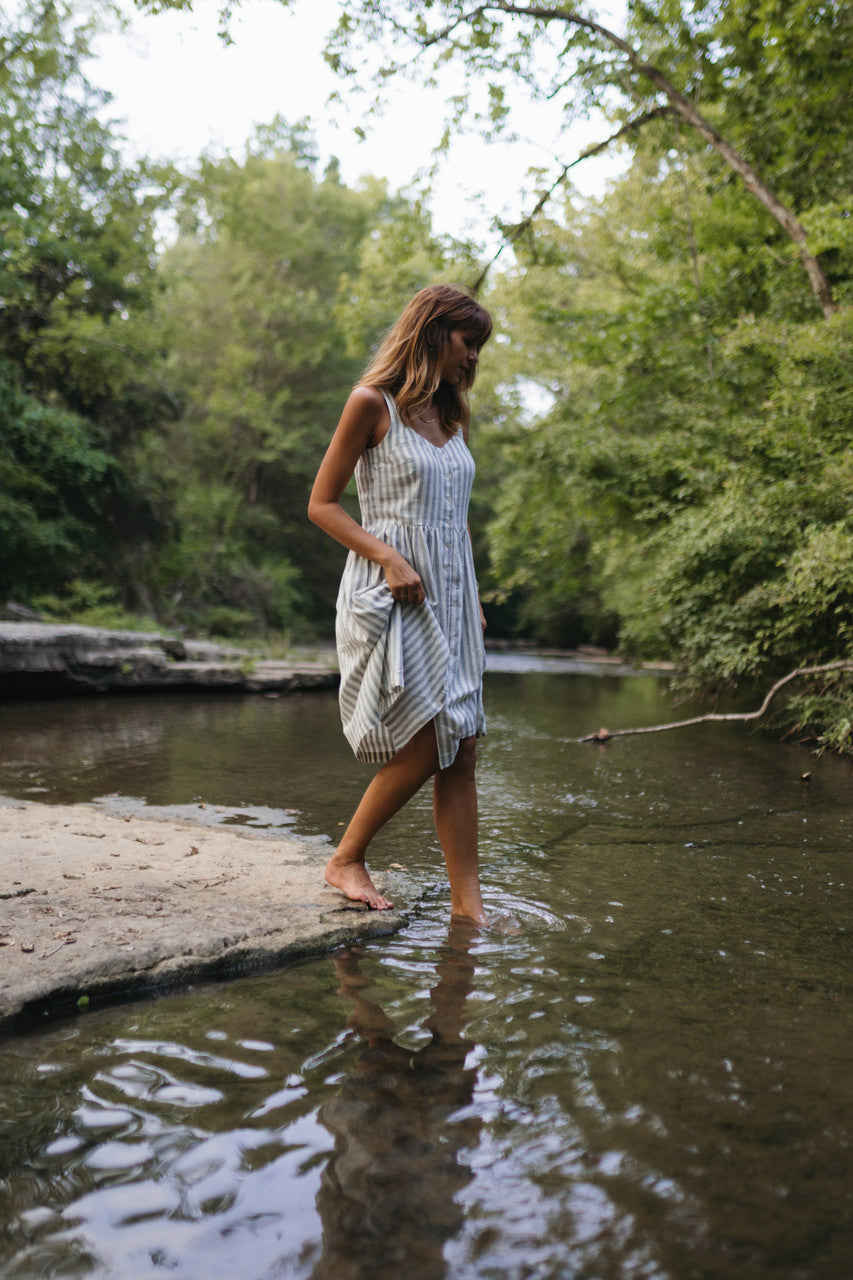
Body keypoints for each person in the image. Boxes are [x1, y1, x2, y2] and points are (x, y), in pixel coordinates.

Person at [308, 283, 492, 924]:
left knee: (462, 743)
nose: (474, 360)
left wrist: (471, 600)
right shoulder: (371, 404)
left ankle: (469, 910)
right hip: (393, 591)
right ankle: (346, 858)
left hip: (450, 597)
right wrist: (388, 557)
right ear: (435, 333)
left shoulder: (451, 417)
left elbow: (455, 520)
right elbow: (321, 505)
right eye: (470, 345)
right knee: (423, 742)